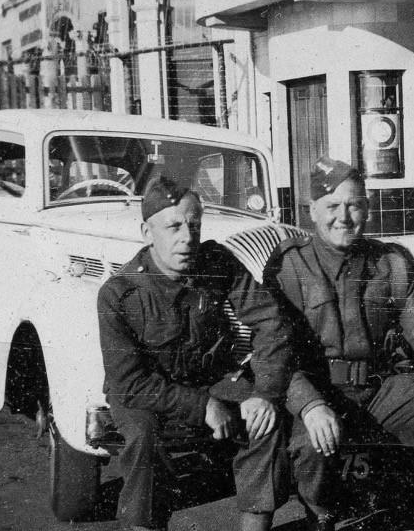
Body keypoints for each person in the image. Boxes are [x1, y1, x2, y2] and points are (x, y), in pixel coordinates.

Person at [237, 157, 414, 531]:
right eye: (332, 206)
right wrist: (310, 405)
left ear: (367, 207)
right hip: (318, 388)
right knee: (311, 446)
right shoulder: (290, 266)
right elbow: (277, 350)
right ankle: (321, 515)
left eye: (354, 205)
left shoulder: (390, 263)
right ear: (312, 211)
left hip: (379, 387)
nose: (344, 217)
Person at [98, 177, 291, 531]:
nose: (187, 237)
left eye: (194, 225)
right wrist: (203, 406)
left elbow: (270, 322)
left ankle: (255, 524)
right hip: (147, 395)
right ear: (146, 231)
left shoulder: (216, 261)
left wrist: (265, 393)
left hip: (211, 381)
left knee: (264, 420)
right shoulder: (119, 293)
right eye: (173, 226)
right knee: (143, 438)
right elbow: (128, 384)